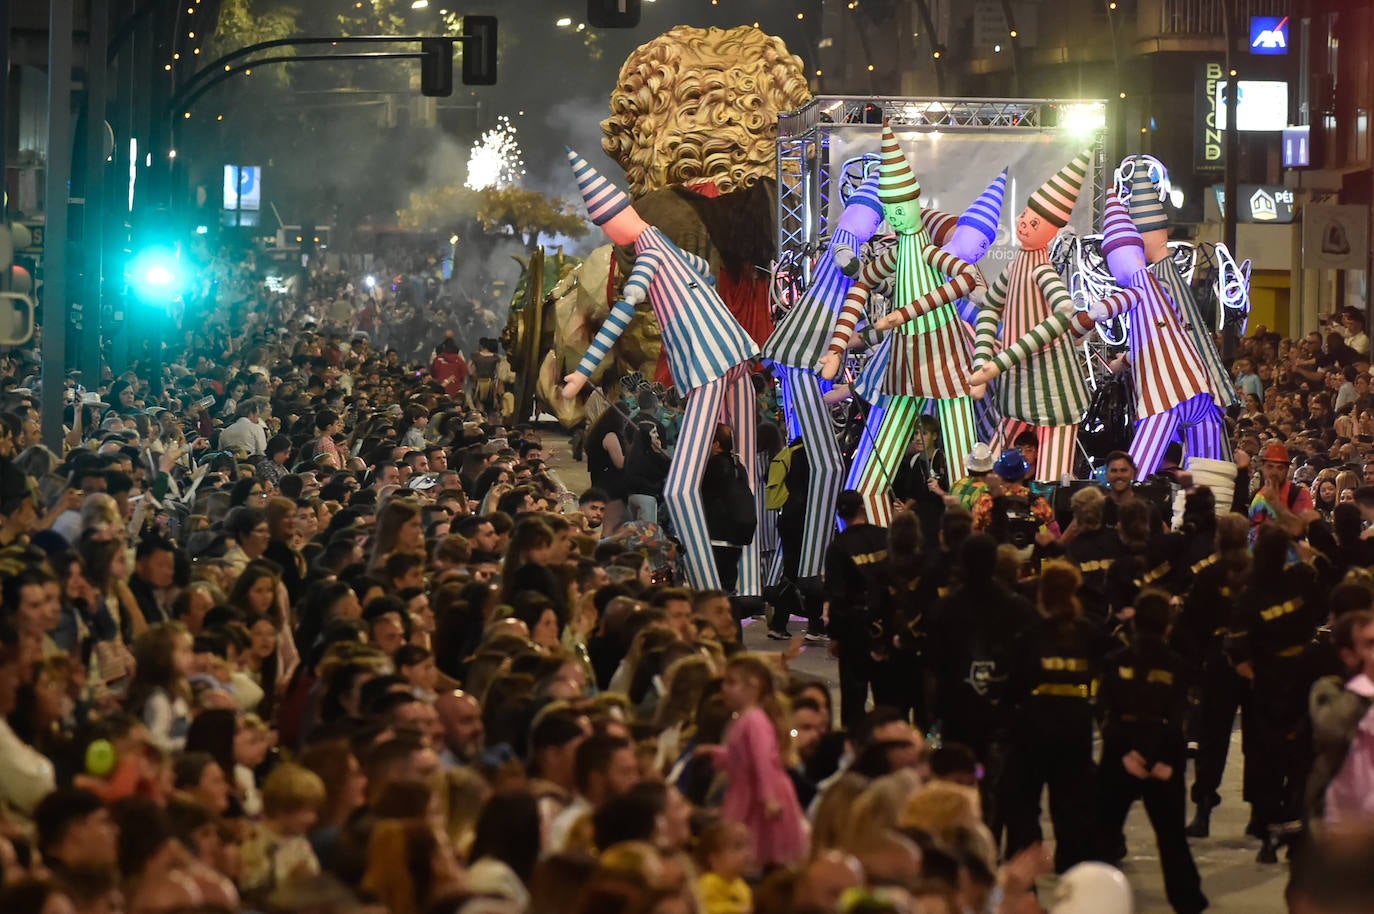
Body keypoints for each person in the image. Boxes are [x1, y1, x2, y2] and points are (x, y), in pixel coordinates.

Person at [1096, 589, 1208, 914]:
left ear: (1134, 625)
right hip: (1162, 762)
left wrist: (1127, 754)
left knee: (1103, 836)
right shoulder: (1177, 666)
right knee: (1172, 840)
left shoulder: (1114, 662)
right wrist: (1162, 762)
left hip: (1121, 757)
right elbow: (1175, 721)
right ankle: (1188, 904)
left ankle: (1095, 901)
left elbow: (1107, 714)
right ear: (1167, 627)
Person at [1003, 561, 1107, 873]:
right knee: (1072, 804)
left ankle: (1028, 867)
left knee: (1024, 803)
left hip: (1035, 728)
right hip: (1076, 727)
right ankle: (1071, 866)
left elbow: (1014, 687)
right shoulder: (1089, 634)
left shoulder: (1030, 636)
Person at [711, 655, 807, 869]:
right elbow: (742, 757)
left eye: (731, 683)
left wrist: (768, 798)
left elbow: (762, 760)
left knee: (755, 851)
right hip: (748, 790)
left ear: (753, 686)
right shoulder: (744, 718)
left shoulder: (754, 720)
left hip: (758, 794)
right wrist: (718, 755)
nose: (724, 689)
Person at [823, 490, 889, 726]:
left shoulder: (838, 548)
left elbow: (837, 596)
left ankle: (855, 746)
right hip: (886, 623)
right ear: (863, 508)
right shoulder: (884, 537)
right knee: (887, 695)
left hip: (854, 627)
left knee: (854, 695)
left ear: (839, 515)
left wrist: (835, 636)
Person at [695, 818, 754, 914]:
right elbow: (705, 908)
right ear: (714, 859)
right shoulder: (708, 884)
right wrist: (735, 909)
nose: (746, 853)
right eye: (738, 847)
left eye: (748, 845)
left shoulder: (742, 887)